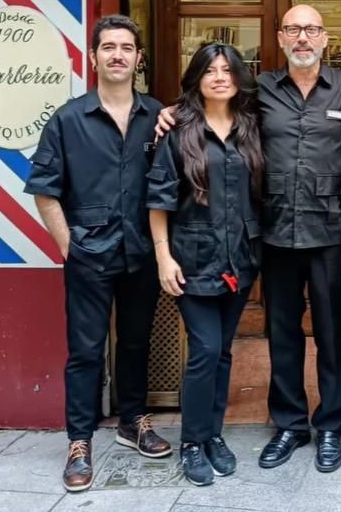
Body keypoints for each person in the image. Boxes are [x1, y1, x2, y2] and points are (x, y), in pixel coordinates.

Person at [157, 4, 341, 474]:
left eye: (312, 30)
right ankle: (290, 425)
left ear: (326, 39)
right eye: (294, 30)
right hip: (274, 234)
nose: (303, 38)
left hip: (330, 236)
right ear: (280, 38)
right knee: (281, 334)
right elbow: (215, 106)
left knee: (330, 334)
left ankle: (330, 426)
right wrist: (172, 110)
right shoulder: (259, 92)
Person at [25, 14, 171, 493]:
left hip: (142, 253)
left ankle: (133, 421)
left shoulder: (158, 117)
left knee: (135, 342)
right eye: (108, 47)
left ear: (138, 58)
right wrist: (70, 248)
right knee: (86, 352)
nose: (117, 55)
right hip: (88, 254)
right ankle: (80, 442)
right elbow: (45, 190)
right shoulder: (68, 120)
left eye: (126, 48)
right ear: (93, 56)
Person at [146, 43, 265, 486]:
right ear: (197, 78)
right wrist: (163, 256)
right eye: (210, 70)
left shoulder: (251, 128)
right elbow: (158, 200)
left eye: (227, 70)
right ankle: (192, 442)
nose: (220, 77)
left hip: (240, 258)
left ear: (238, 78)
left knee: (223, 352)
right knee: (206, 352)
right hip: (192, 259)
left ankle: (213, 434)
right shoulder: (178, 131)